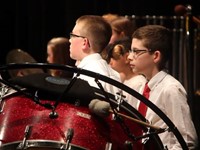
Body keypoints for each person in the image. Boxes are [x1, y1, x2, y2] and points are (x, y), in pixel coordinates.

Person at [127, 25, 198, 149]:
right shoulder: (141, 86)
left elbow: (187, 142)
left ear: (156, 56)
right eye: (130, 50)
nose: (129, 56)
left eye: (136, 51)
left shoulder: (170, 89)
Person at [69, 15, 121, 95]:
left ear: (84, 42)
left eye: (73, 36)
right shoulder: (114, 73)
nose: (70, 40)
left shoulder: (87, 75)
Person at [105, 37, 147, 107]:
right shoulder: (123, 80)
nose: (110, 62)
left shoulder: (139, 83)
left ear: (126, 57)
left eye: (114, 58)